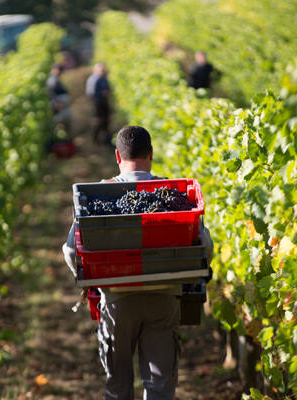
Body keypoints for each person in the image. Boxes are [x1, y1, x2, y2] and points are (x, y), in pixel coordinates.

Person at [62, 125, 214, 399]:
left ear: (118, 158)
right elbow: (205, 246)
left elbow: (72, 251)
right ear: (151, 154)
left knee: (118, 387)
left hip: (117, 303)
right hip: (164, 301)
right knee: (159, 388)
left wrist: (89, 279)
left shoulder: (99, 195)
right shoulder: (174, 195)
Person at [85, 63, 111, 144]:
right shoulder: (92, 79)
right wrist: (101, 93)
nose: (102, 72)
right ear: (95, 70)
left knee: (105, 122)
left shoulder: (103, 78)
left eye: (103, 70)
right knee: (98, 122)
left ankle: (105, 140)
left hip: (104, 103)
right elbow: (90, 93)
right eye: (100, 70)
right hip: (97, 104)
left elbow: (108, 88)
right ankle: (95, 140)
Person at [47, 64, 71, 133]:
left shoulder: (57, 79)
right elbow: (51, 93)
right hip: (58, 104)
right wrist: (57, 103)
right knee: (59, 120)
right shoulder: (52, 80)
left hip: (61, 104)